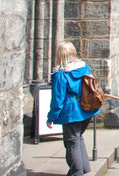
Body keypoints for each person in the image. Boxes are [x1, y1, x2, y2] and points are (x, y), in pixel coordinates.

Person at [46, 41, 100, 176]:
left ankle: (76, 172)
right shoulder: (84, 68)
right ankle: (84, 168)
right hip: (87, 109)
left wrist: (51, 117)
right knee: (78, 138)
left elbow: (57, 100)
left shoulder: (61, 74)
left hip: (72, 113)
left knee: (71, 143)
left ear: (60, 55)